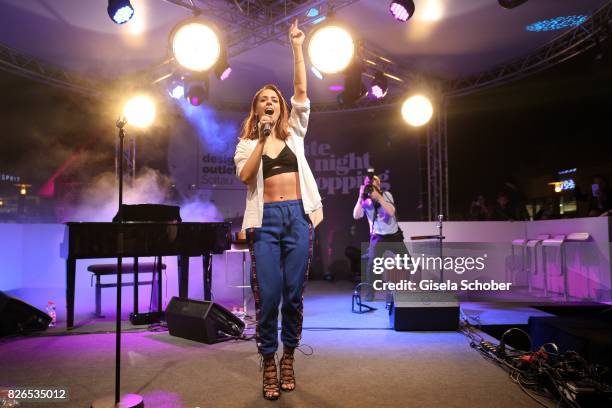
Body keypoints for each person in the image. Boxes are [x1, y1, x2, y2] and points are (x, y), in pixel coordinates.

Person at [233, 19, 323, 401]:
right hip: (266, 223)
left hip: (298, 218)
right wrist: (260, 138)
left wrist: (297, 47)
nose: (270, 103)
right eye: (263, 101)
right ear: (256, 109)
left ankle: (288, 357)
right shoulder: (245, 143)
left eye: (274, 100)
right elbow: (245, 176)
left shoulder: (295, 133)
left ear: (281, 107)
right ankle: (268, 360)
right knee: (268, 296)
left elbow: (301, 88)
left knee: (293, 295)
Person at [353, 173, 410, 301]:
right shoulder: (366, 201)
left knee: (408, 263)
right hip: (377, 236)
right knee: (372, 266)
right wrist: (360, 197)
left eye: (372, 184)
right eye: (368, 185)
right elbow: (356, 215)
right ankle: (369, 293)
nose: (370, 188)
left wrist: (378, 197)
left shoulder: (386, 195)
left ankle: (406, 290)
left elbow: (390, 212)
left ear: (378, 185)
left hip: (394, 236)